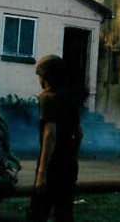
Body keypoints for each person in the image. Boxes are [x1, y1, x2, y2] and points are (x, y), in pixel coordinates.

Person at [28, 55, 83, 222]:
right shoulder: (69, 98)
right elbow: (79, 134)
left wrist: (41, 172)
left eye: (40, 75)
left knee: (37, 213)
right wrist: (71, 155)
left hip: (52, 166)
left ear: (45, 76)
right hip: (69, 165)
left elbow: (49, 135)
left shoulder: (47, 98)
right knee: (64, 214)